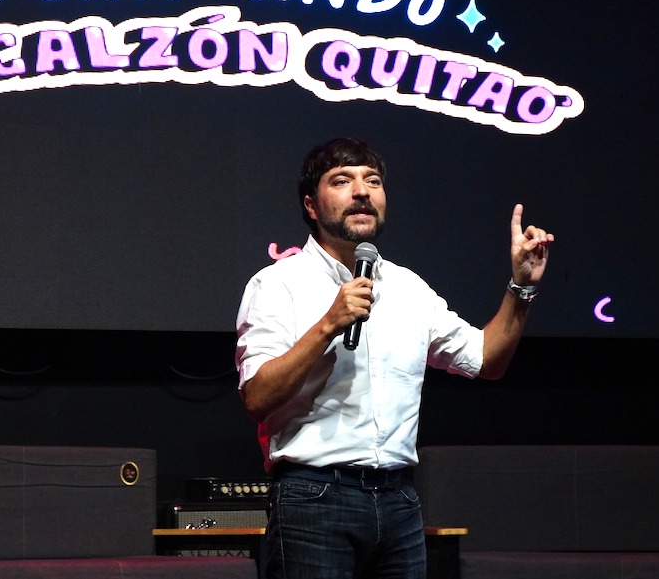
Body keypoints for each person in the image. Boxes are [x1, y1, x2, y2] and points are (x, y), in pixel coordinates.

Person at [234, 137, 553, 579]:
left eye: (373, 181)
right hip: (313, 498)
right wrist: (328, 324)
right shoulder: (276, 285)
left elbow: (485, 359)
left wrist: (521, 287)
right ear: (311, 205)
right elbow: (257, 397)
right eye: (342, 181)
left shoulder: (408, 288)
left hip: (399, 500)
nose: (362, 192)